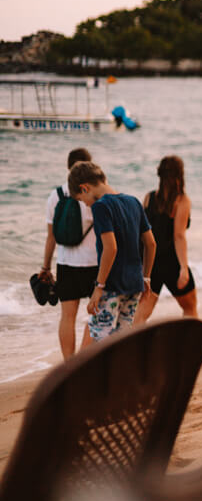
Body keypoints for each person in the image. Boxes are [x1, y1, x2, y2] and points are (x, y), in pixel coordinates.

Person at [68, 160, 155, 344]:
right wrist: (146, 277)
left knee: (101, 343)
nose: (86, 205)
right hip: (134, 284)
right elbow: (151, 244)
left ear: (84, 188)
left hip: (111, 285)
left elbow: (111, 248)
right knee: (122, 340)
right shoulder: (133, 202)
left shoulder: (101, 206)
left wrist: (99, 287)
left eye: (81, 200)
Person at [38, 147, 98, 359]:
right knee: (97, 315)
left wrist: (46, 267)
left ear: (68, 167)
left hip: (66, 264)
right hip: (93, 263)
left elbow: (51, 237)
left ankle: (69, 364)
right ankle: (83, 359)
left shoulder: (55, 196)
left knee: (67, 317)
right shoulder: (93, 194)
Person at [134, 156, 202, 326]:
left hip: (149, 262)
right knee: (190, 307)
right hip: (171, 262)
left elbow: (140, 231)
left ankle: (134, 342)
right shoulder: (182, 201)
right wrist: (184, 268)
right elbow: (179, 236)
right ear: (180, 175)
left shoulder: (149, 198)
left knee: (141, 314)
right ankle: (193, 341)